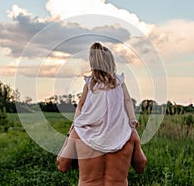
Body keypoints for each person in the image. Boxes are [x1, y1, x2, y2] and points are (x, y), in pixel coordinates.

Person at [57, 42, 147, 185]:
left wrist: (73, 130)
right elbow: (141, 167)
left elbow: (62, 165)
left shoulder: (78, 133)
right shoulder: (129, 134)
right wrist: (131, 121)